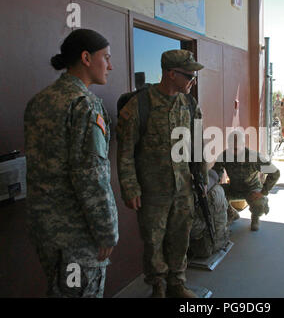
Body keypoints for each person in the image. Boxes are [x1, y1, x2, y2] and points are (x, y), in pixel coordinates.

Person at [24, 29, 118, 297]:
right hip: (79, 234)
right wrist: (107, 231)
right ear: (86, 58)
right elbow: (92, 177)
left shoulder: (38, 101)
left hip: (45, 229)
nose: (110, 66)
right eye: (106, 58)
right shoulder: (85, 106)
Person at [116, 49, 207, 298]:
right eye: (189, 75)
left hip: (184, 187)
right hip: (152, 191)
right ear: (170, 73)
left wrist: (203, 178)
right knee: (153, 242)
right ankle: (158, 287)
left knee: (181, 236)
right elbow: (125, 152)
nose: (193, 81)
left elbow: (198, 146)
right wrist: (130, 187)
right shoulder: (140, 105)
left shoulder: (189, 103)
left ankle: (177, 284)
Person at [212, 130, 280, 231]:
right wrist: (210, 183)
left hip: (252, 190)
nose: (233, 150)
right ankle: (231, 214)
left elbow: (275, 173)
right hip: (233, 188)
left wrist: (263, 192)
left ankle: (255, 217)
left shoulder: (254, 157)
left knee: (260, 203)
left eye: (236, 148)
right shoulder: (225, 155)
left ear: (243, 144)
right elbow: (215, 172)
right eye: (231, 147)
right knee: (214, 193)